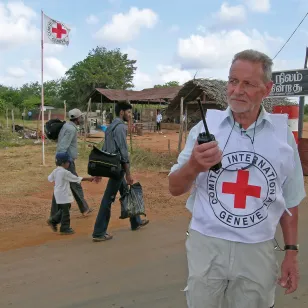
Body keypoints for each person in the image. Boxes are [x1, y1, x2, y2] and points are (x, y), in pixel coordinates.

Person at [169, 49, 305, 308]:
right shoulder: (205, 129)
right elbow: (174, 187)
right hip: (207, 245)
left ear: (266, 89)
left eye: (248, 84)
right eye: (233, 81)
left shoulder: (282, 135)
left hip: (257, 249)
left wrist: (291, 253)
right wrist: (194, 166)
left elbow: (291, 200)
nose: (237, 90)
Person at [92, 102, 149, 242]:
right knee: (108, 199)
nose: (130, 115)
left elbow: (104, 148)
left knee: (125, 191)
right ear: (122, 112)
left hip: (110, 165)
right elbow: (123, 151)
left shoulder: (110, 127)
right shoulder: (120, 128)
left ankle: (136, 221)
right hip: (118, 167)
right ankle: (99, 232)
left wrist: (99, 169)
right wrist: (128, 172)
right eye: (128, 113)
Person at [50, 108, 93, 219]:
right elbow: (63, 146)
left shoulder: (67, 126)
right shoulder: (70, 129)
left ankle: (83, 208)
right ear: (77, 118)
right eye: (81, 117)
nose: (81, 119)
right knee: (74, 184)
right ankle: (83, 209)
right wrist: (63, 163)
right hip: (66, 161)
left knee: (65, 185)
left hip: (65, 160)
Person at [47, 153, 94, 235]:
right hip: (64, 194)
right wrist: (88, 179)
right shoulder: (65, 172)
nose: (69, 164)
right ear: (63, 163)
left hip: (57, 193)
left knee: (64, 208)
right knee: (66, 212)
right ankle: (64, 228)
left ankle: (54, 220)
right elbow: (75, 179)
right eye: (68, 162)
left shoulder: (55, 171)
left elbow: (50, 179)